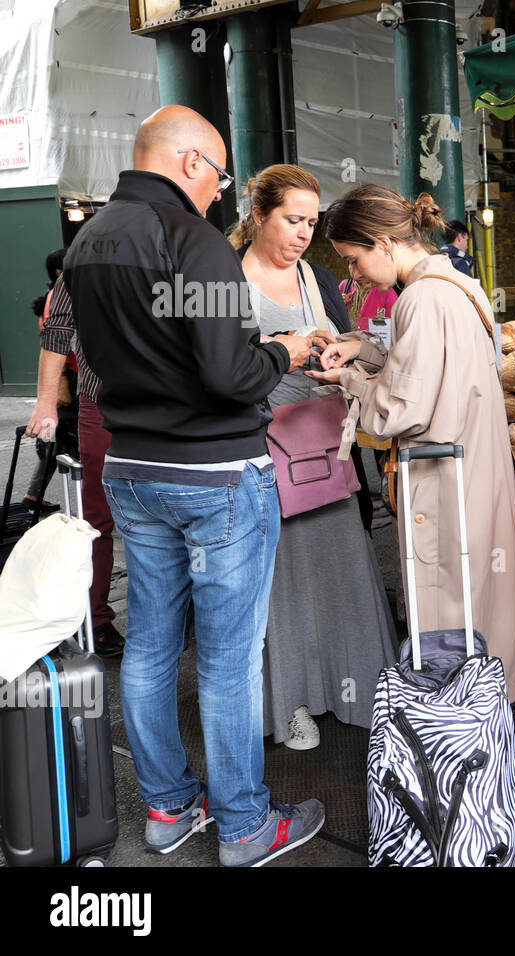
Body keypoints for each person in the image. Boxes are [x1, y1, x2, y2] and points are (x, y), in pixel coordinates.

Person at [63, 104, 324, 866]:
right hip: (213, 474)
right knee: (227, 657)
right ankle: (244, 825)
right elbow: (229, 374)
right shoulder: (192, 240)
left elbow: (91, 356)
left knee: (146, 648)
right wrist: (280, 352)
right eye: (217, 176)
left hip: (133, 470)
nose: (218, 193)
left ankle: (168, 811)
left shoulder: (86, 243)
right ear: (188, 164)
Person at [312, 184, 515, 703]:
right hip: (477, 465)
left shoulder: (421, 298)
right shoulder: (457, 282)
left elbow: (397, 411)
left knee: (449, 609)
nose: (354, 275)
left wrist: (347, 381)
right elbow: (431, 372)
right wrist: (363, 347)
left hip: (443, 477)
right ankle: (487, 713)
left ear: (384, 243)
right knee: (482, 602)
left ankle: (454, 728)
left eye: (356, 260)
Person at [228, 164, 398, 750]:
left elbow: (354, 354)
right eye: (292, 220)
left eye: (311, 221)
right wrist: (280, 356)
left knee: (343, 568)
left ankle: (355, 689)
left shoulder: (320, 282)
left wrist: (338, 357)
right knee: (282, 583)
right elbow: (218, 376)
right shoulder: (225, 283)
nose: (304, 232)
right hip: (262, 456)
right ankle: (294, 702)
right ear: (258, 217)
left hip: (328, 451)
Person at [24, 274, 124, 656]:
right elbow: (56, 329)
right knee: (97, 517)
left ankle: (176, 609)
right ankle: (96, 619)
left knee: (169, 509)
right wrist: (47, 400)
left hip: (165, 404)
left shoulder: (175, 247)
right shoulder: (87, 260)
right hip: (101, 401)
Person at [22, 249, 79, 516]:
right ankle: (34, 494)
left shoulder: (54, 297)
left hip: (69, 374)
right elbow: (56, 343)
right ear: (59, 271)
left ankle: (34, 494)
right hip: (67, 375)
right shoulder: (57, 299)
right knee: (61, 436)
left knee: (60, 437)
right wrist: (61, 384)